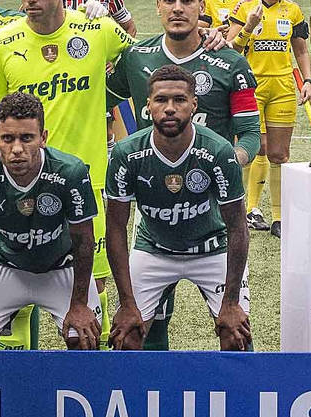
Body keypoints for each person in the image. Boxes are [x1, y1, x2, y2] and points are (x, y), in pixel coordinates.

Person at [0, 0, 120, 305]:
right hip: (18, 182)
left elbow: (145, 54)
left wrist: (214, 39)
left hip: (89, 180)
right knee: (16, 277)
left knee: (92, 285)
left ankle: (93, 357)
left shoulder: (98, 29)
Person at [103, 67, 250, 350]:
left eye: (179, 100)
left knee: (237, 336)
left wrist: (230, 303)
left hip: (211, 249)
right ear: (148, 105)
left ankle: (235, 394)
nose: (170, 108)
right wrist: (126, 302)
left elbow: (238, 226)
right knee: (127, 337)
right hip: (154, 248)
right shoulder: (126, 153)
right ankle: (136, 395)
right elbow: (116, 228)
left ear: (194, 104)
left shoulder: (218, 151)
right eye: (161, 100)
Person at [0, 92, 101, 350]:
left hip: (61, 265)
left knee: (84, 338)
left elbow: (84, 241)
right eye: (8, 139)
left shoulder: (71, 172)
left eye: (27, 138)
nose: (17, 149)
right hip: (5, 263)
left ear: (43, 138)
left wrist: (79, 304)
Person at [109, 0, 262, 159]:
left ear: (202, 7)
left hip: (209, 184)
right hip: (148, 182)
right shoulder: (135, 57)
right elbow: (97, 101)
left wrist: (232, 160)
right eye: (169, 0)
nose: (177, 8)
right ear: (158, 6)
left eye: (187, 1)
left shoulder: (232, 63)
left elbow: (250, 134)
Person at [237, 0, 311, 235]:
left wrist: (307, 81)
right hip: (251, 88)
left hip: (283, 87)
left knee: (279, 154)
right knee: (258, 148)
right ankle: (251, 209)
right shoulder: (246, 7)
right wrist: (248, 26)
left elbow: (301, 50)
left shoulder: (292, 11)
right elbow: (233, 49)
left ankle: (279, 218)